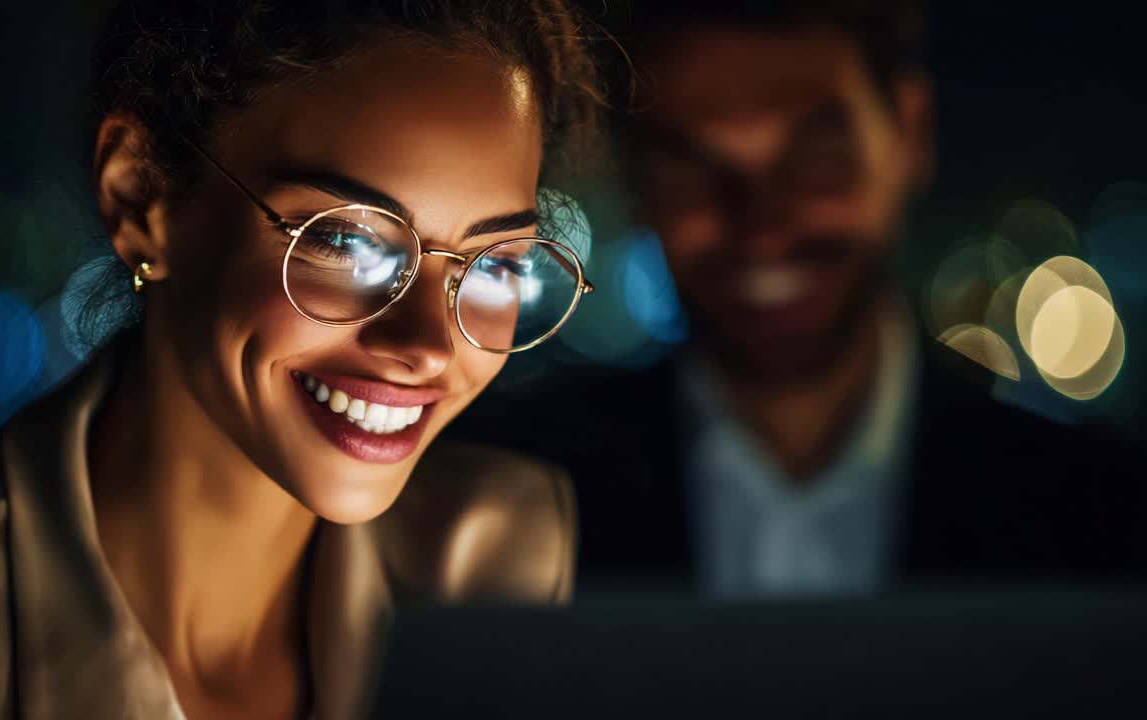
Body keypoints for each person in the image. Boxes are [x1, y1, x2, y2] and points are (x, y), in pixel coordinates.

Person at [0, 2, 602, 718]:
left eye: (496, 263)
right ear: (141, 198)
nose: (427, 347)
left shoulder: (495, 559)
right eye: (345, 240)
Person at [453, 1, 1145, 597]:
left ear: (909, 132)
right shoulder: (486, 512)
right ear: (637, 181)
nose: (760, 228)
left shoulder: (1102, 519)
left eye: (815, 158)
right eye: (692, 167)